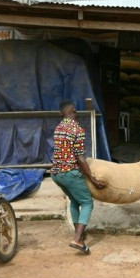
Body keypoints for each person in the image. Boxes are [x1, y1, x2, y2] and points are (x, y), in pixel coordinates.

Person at [50, 100, 105, 254]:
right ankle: (78, 239)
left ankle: (79, 234)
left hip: (56, 174)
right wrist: (93, 179)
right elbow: (80, 158)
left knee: (74, 201)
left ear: (61, 114)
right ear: (75, 111)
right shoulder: (77, 130)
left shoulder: (58, 128)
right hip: (70, 173)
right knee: (87, 202)